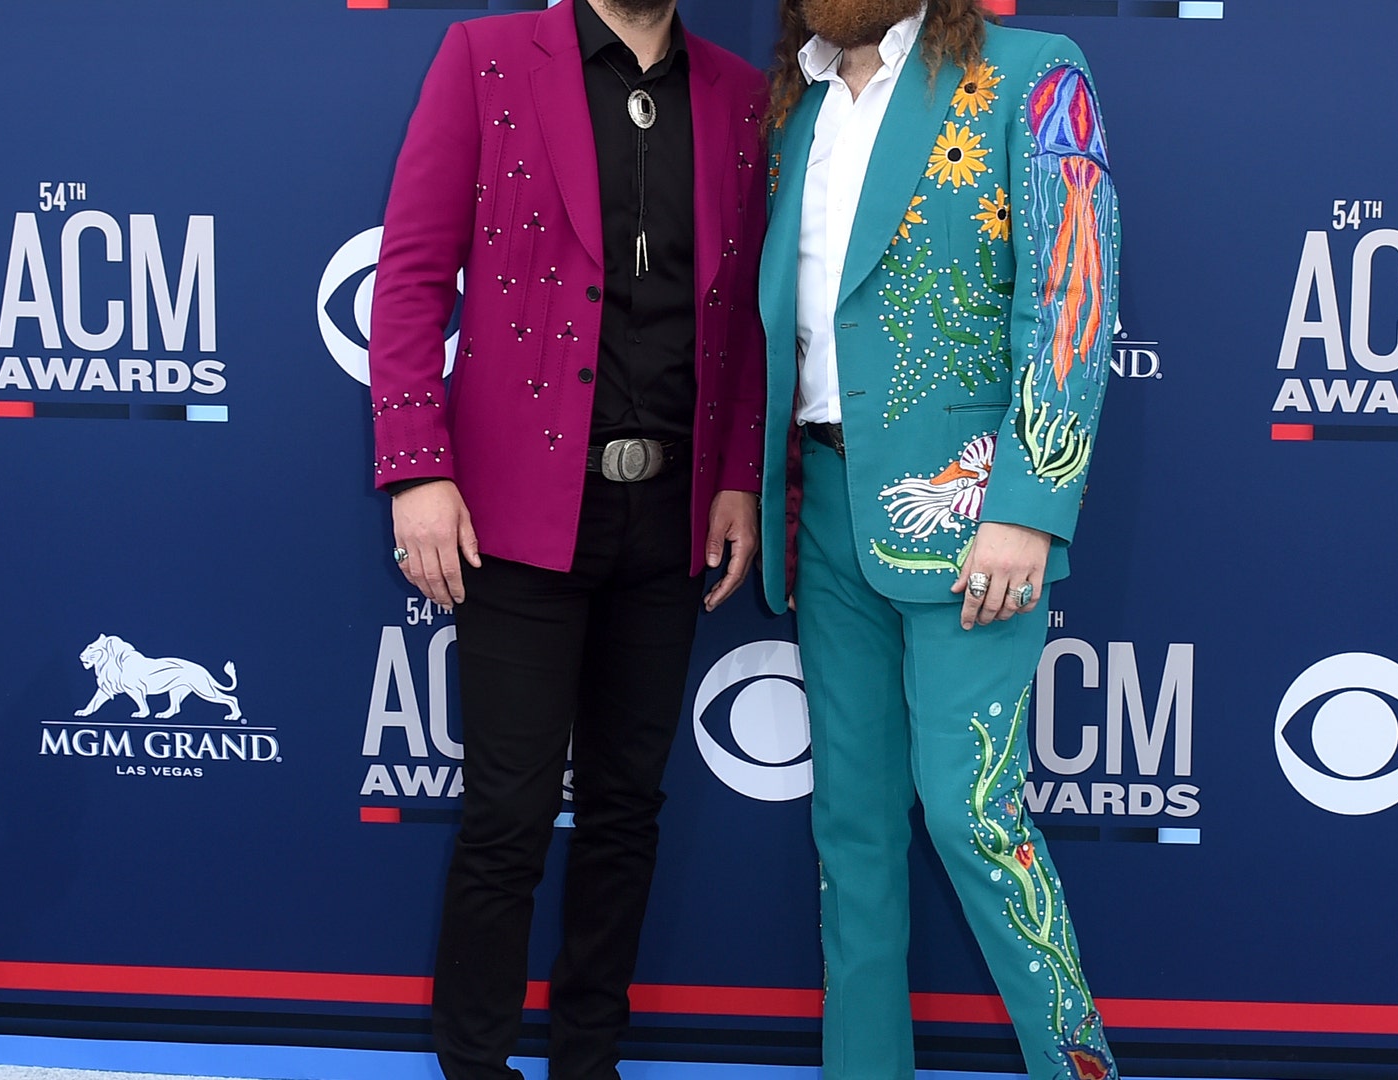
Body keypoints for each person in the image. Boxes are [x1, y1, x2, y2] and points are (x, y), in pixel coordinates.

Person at [366, 0, 767, 1074]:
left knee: (628, 810)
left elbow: (754, 314)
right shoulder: (486, 58)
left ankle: (591, 1056)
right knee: (507, 815)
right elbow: (408, 275)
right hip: (519, 518)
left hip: (671, 517)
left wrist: (737, 478)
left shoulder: (740, 95)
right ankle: (477, 1062)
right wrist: (417, 469)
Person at [756, 0, 1121, 1076]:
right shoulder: (793, 106)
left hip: (972, 522)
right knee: (852, 839)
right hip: (818, 511)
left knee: (976, 822)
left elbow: (1074, 291)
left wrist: (1030, 501)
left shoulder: (1033, 74)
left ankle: (1079, 1068)